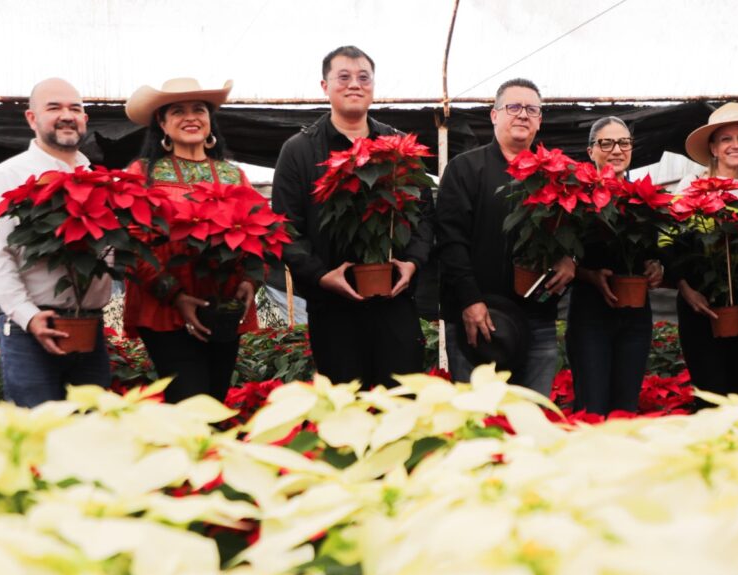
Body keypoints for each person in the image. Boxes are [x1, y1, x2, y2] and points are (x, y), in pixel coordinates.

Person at [272, 45, 431, 388]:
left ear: (373, 86)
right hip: (333, 310)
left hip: (395, 302)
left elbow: (425, 216)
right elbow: (284, 229)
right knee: (346, 409)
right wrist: (320, 275)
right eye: (343, 77)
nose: (354, 85)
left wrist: (413, 263)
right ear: (324, 86)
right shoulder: (299, 151)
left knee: (401, 406)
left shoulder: (397, 145)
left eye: (364, 78)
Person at [123, 77, 258, 403]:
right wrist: (176, 295)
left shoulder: (233, 175)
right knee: (191, 405)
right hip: (166, 310)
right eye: (178, 111)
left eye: (199, 109)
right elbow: (132, 243)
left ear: (210, 120)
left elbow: (259, 233)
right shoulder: (142, 173)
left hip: (223, 306)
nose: (191, 117)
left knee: (214, 404)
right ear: (162, 123)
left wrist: (252, 280)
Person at [435, 78, 574, 396]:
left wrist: (572, 260)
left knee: (530, 426)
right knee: (478, 428)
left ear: (540, 120)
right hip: (477, 321)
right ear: (494, 115)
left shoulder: (557, 174)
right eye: (513, 107)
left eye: (531, 109)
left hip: (536, 320)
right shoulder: (465, 169)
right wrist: (470, 301)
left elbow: (578, 229)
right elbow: (450, 241)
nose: (522, 115)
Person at [0, 77, 112, 407]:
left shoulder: (99, 179)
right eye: (54, 107)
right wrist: (28, 316)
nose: (67, 115)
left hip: (89, 326)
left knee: (91, 436)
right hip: (30, 330)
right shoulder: (7, 177)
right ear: (32, 118)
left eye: (75, 108)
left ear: (85, 120)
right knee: (38, 438)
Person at [671, 102, 738, 398]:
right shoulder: (691, 185)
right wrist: (684, 287)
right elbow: (672, 242)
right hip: (700, 306)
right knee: (709, 393)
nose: (736, 145)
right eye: (726, 139)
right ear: (713, 149)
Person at [565, 117, 663, 414]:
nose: (616, 150)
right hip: (589, 316)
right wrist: (589, 275)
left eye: (624, 142)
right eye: (606, 143)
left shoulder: (645, 200)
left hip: (635, 318)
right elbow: (560, 258)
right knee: (591, 408)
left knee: (625, 408)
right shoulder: (575, 200)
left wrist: (658, 267)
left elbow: (655, 252)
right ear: (591, 151)